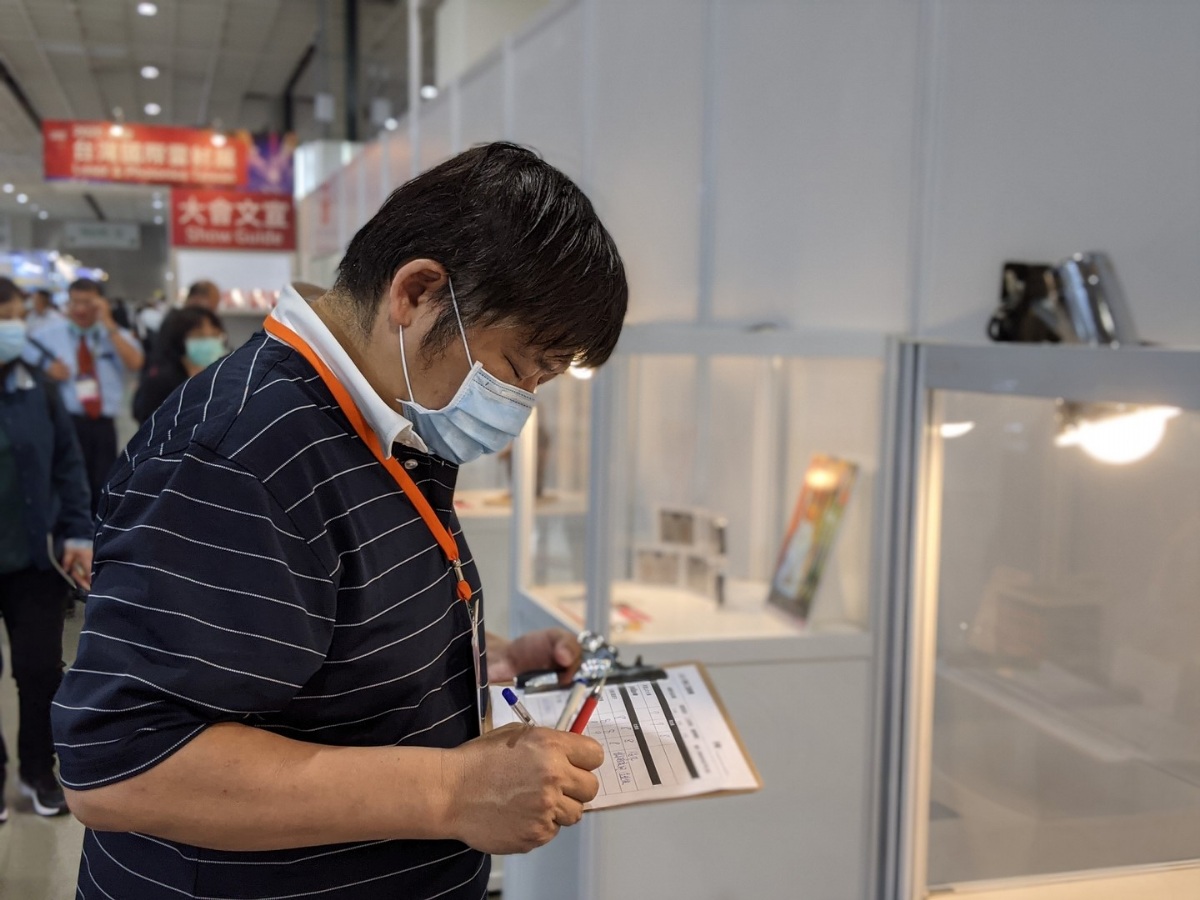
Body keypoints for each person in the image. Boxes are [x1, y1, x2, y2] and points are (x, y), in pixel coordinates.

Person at [52, 142, 628, 899]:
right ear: (416, 292)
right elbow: (120, 767)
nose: (520, 403)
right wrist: (451, 791)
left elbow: (311, 628)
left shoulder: (381, 420)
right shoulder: (242, 454)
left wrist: (484, 658)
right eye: (519, 369)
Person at [0, 277, 93, 823]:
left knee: (39, 671)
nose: (9, 328)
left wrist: (79, 531)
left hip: (35, 559)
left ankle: (39, 770)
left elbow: (68, 464)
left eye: (13, 316)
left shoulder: (38, 389)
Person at [27, 278, 144, 516]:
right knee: (66, 488)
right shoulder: (47, 335)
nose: (80, 309)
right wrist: (44, 368)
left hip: (102, 427)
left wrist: (108, 324)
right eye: (75, 302)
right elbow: (21, 358)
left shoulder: (115, 335)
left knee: (102, 489)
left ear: (101, 303)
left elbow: (135, 362)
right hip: (65, 422)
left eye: (88, 303)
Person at [132, 306, 227, 423]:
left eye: (215, 335)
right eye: (199, 336)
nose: (210, 342)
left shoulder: (221, 375)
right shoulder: (161, 381)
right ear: (179, 339)